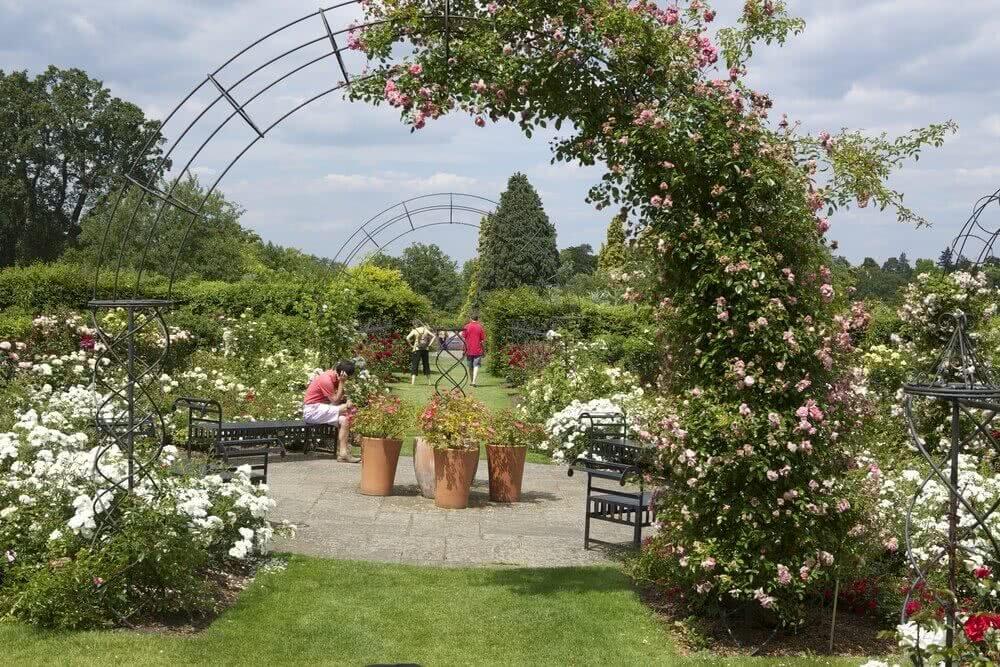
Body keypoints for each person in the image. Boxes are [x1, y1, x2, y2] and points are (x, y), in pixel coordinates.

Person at [302, 360, 356, 462]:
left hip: (322, 409)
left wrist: (348, 400)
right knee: (348, 409)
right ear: (343, 374)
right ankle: (356, 439)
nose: (347, 379)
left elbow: (342, 395)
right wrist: (341, 382)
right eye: (347, 377)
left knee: (344, 420)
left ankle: (343, 454)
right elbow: (335, 400)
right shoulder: (326, 379)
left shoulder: (336, 377)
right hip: (312, 411)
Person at [405, 319, 436, 385]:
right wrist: (429, 344)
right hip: (425, 349)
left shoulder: (414, 330)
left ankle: (413, 382)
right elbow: (434, 336)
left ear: (414, 324)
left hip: (416, 349)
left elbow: (407, 338)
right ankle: (429, 382)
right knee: (426, 364)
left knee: (415, 365)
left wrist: (411, 345)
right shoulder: (425, 329)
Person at [461, 311, 486, 387]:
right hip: (478, 350)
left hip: (468, 349)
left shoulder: (466, 327)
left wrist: (463, 349)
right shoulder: (480, 327)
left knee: (470, 366)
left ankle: (472, 381)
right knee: (476, 365)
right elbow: (482, 340)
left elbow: (463, 339)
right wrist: (484, 350)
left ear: (470, 318)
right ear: (477, 319)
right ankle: (474, 381)